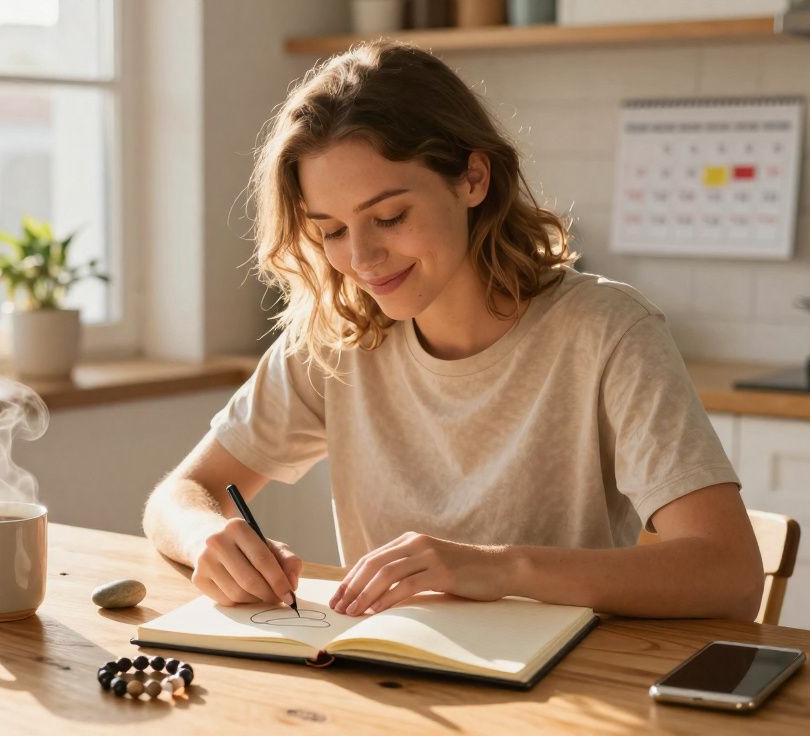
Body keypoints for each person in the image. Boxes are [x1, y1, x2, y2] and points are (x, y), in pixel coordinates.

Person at [141, 40, 764, 622]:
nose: (360, 259)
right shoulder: (335, 340)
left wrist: (500, 568)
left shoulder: (607, 333)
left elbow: (729, 570)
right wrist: (207, 537)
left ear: (473, 178)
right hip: (391, 683)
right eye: (331, 230)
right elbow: (179, 494)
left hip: (563, 691)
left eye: (389, 216)